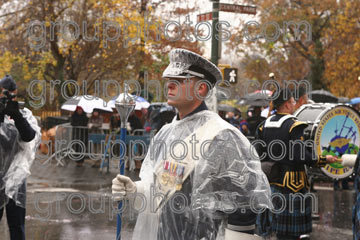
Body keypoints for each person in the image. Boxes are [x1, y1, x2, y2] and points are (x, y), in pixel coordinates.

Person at [112, 49, 272, 240]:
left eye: (179, 80)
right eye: (169, 79)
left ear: (201, 88)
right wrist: (136, 189)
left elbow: (245, 202)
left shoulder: (223, 135)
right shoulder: (167, 132)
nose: (169, 84)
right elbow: (164, 188)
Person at [256, 88, 340, 240]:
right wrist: (323, 159)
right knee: (291, 234)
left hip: (271, 184)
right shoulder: (294, 126)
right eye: (293, 102)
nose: (294, 105)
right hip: (292, 185)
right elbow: (301, 156)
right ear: (287, 104)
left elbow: (258, 154)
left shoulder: (263, 125)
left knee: (277, 230)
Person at [0, 75, 41, 240]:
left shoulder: (23, 113)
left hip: (16, 177)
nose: (9, 97)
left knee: (16, 225)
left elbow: (30, 137)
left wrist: (17, 116)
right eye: (4, 93)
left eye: (12, 94)